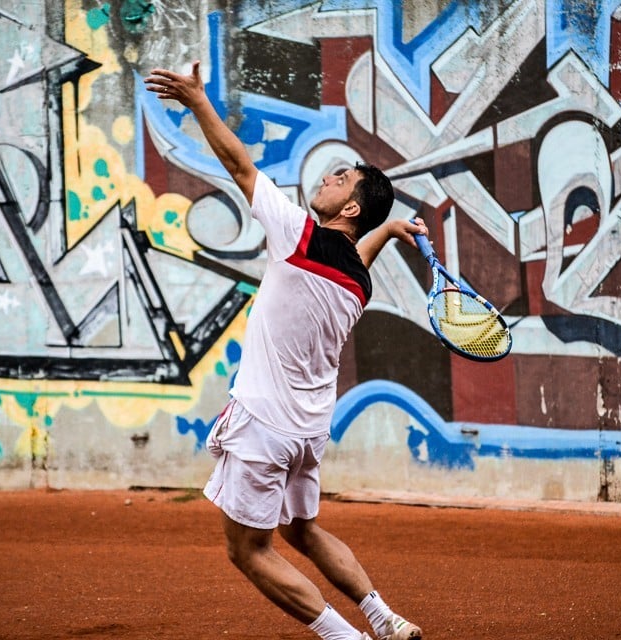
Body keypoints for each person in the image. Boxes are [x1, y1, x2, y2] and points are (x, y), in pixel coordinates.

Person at [145, 61, 426, 640]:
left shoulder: (299, 236)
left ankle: (343, 637)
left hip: (265, 423)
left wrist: (198, 100)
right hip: (307, 431)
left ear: (349, 208)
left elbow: (238, 164)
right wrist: (389, 230)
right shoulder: (356, 280)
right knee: (304, 531)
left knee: (248, 550)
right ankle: (383, 619)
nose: (329, 177)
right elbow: (358, 254)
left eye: (341, 178)